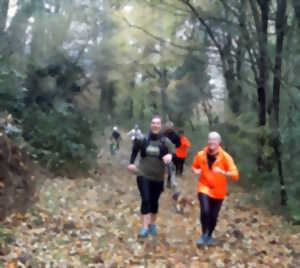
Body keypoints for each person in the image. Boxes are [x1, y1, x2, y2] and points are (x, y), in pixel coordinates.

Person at [128, 116, 174, 237]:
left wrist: (170, 156)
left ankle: (152, 224)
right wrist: (131, 163)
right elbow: (135, 150)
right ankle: (144, 227)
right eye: (153, 123)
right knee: (146, 199)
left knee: (154, 202)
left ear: (161, 125)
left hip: (158, 177)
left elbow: (173, 150)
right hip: (143, 174)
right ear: (150, 125)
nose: (155, 125)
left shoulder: (165, 141)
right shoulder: (143, 139)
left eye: (158, 123)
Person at [192, 131, 239, 247]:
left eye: (214, 140)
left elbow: (235, 175)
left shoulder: (226, 157)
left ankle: (210, 235)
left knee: (213, 216)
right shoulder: (201, 154)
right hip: (204, 187)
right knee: (205, 211)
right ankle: (203, 234)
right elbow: (194, 167)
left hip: (219, 191)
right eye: (210, 139)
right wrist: (195, 171)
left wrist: (223, 172)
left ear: (219, 142)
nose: (211, 142)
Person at [163, 121, 181, 188]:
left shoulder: (176, 135)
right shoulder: (163, 134)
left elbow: (179, 144)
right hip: (163, 153)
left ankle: (169, 182)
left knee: (172, 168)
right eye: (168, 126)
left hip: (172, 153)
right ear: (166, 127)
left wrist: (174, 145)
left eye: (170, 127)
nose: (169, 128)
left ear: (172, 127)